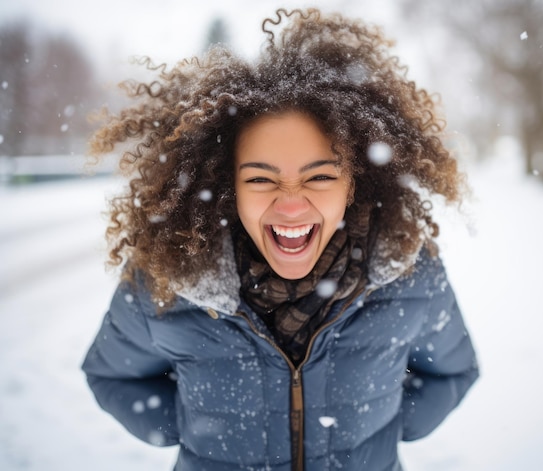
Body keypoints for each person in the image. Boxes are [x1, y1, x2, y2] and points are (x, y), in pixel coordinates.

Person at [82, 8, 479, 471]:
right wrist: (186, 426)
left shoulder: (411, 273)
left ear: (356, 183)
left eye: (321, 176)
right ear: (228, 185)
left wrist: (390, 425)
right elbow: (112, 376)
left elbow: (453, 370)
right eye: (260, 180)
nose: (291, 206)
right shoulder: (166, 281)